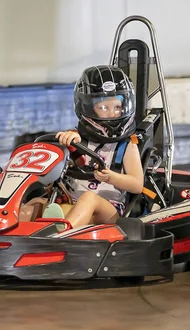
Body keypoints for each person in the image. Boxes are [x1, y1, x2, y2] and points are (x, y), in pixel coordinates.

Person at [34, 65, 144, 228]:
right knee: (37, 202)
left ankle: (62, 234)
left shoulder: (126, 146)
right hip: (71, 202)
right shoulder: (77, 139)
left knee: (89, 198)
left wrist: (111, 177)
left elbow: (137, 185)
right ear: (88, 107)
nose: (112, 113)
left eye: (117, 107)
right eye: (104, 107)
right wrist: (69, 142)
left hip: (109, 210)